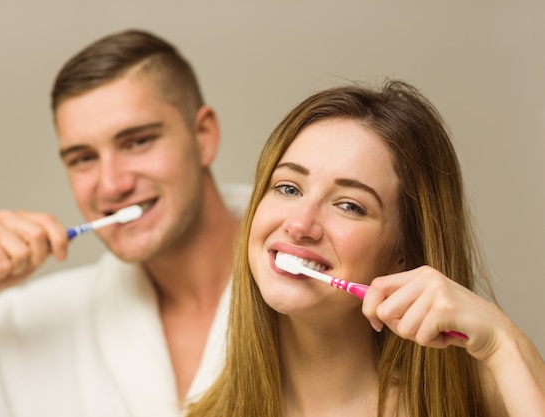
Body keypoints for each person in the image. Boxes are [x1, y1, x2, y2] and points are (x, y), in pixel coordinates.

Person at [0, 29, 245, 416]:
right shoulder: (32, 323)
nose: (111, 185)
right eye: (83, 158)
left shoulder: (317, 293)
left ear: (204, 136)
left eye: (137, 141)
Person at [185, 80, 545, 417]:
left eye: (349, 206)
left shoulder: (491, 394)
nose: (299, 225)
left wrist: (504, 344)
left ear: (402, 255)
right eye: (288, 188)